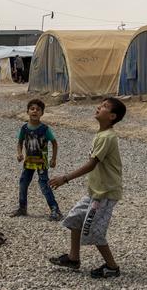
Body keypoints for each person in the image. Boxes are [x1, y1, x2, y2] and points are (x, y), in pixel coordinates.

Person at [49, 97, 126, 279]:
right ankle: (73, 258)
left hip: (105, 194)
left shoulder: (107, 137)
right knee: (75, 218)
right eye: (101, 104)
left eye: (105, 106)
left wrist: (65, 178)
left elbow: (92, 165)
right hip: (95, 192)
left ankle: (112, 267)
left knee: (94, 231)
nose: (99, 107)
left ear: (112, 116)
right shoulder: (101, 135)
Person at [9, 99, 62, 220]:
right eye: (32, 109)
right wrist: (19, 153)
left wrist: (53, 159)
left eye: (38, 109)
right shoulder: (24, 129)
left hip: (42, 163)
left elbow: (54, 143)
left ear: (42, 113)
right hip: (29, 162)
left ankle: (55, 210)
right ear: (27, 111)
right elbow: (20, 142)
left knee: (44, 185)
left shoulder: (44, 129)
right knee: (23, 183)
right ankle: (22, 208)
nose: (35, 111)